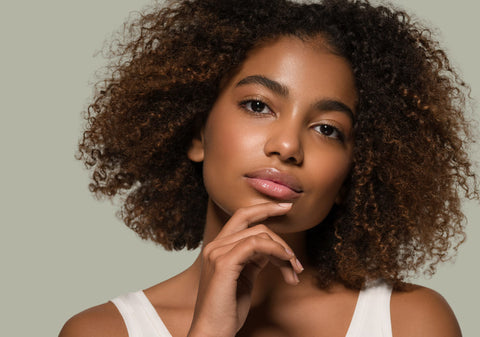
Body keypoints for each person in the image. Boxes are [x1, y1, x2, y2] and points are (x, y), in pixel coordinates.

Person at [59, 0, 479, 336]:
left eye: (327, 129)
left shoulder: (411, 322)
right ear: (196, 135)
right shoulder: (103, 330)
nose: (287, 146)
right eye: (258, 105)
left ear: (355, 173)